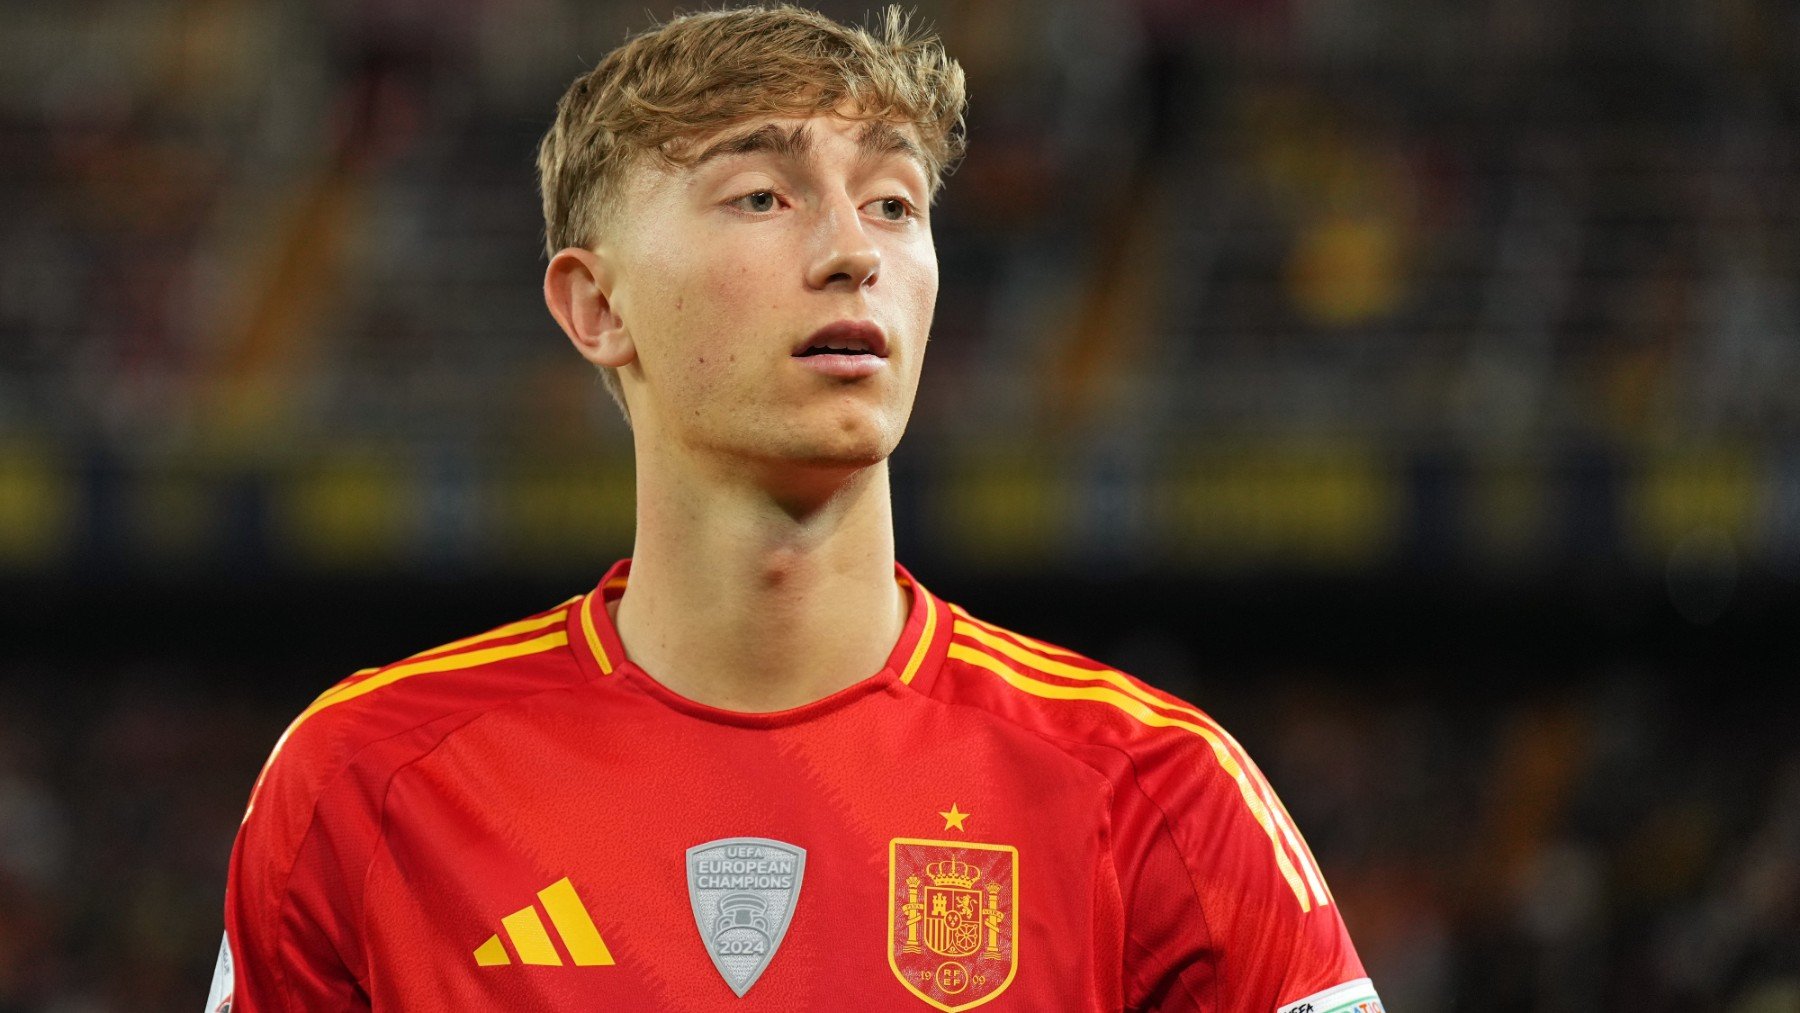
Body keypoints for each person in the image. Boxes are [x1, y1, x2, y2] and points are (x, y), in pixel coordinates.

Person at [210, 5, 1383, 1011]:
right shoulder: (363, 785)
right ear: (595, 306)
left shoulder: (1157, 792)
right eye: (764, 195)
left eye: (893, 203)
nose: (851, 253)